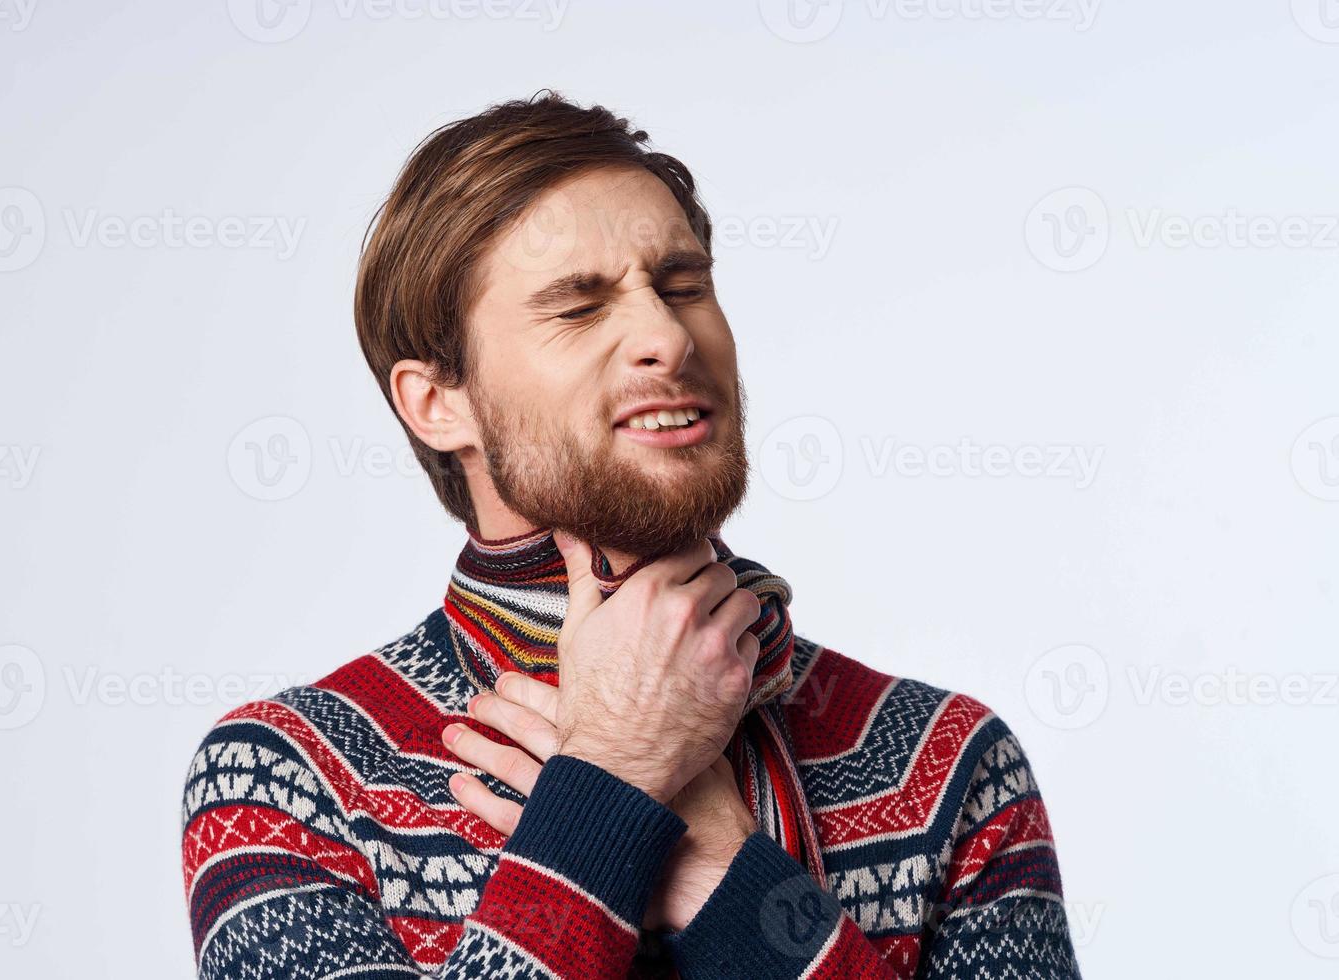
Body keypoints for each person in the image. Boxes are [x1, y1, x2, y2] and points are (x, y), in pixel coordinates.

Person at [181, 91, 1082, 979]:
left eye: (683, 287)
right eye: (578, 306)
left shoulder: (946, 760)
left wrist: (724, 872)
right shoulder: (290, 779)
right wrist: (611, 783)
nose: (665, 335)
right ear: (438, 403)